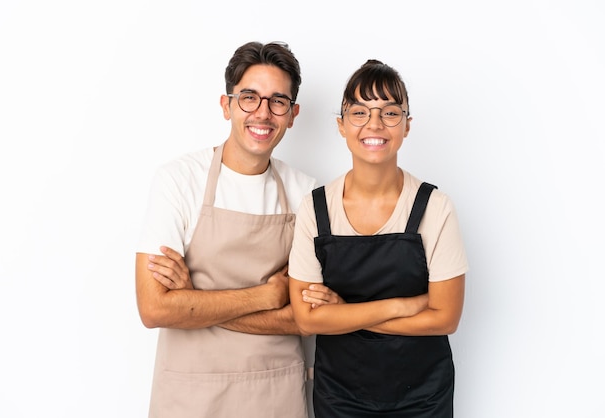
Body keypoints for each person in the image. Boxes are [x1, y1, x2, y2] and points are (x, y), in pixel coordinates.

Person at [135, 41, 326, 418]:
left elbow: (305, 318)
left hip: (277, 391)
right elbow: (155, 307)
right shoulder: (178, 180)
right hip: (189, 396)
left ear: (292, 114)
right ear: (227, 105)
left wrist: (193, 301)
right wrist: (268, 296)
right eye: (249, 98)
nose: (263, 113)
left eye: (278, 101)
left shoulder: (307, 195)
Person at [288, 59, 469, 417]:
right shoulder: (316, 207)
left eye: (389, 112)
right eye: (360, 112)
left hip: (423, 397)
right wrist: (402, 305)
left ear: (406, 126)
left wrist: (343, 314)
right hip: (340, 395)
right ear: (341, 125)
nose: (374, 124)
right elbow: (307, 319)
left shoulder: (435, 207)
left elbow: (445, 318)